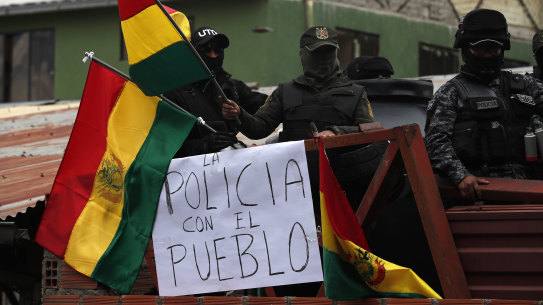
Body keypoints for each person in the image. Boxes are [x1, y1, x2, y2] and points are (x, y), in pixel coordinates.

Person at [222, 25, 375, 213]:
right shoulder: (286, 92)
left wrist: (338, 133)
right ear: (303, 55)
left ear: (336, 53)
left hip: (343, 189)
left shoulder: (355, 93)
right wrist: (239, 114)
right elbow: (259, 129)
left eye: (328, 52)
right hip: (294, 189)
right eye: (317, 54)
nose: (323, 60)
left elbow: (372, 132)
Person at [424, 9, 543, 202]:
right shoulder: (451, 93)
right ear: (465, 49)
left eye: (494, 49)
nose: (488, 55)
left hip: (533, 189)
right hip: (483, 193)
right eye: (481, 49)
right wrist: (460, 175)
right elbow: (436, 142)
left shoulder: (526, 86)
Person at [165, 26, 267, 157]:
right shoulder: (174, 94)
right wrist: (204, 145)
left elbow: (271, 105)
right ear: (192, 53)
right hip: (193, 172)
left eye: (218, 49)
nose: (213, 55)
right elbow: (165, 146)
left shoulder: (232, 87)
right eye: (206, 49)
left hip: (232, 167)